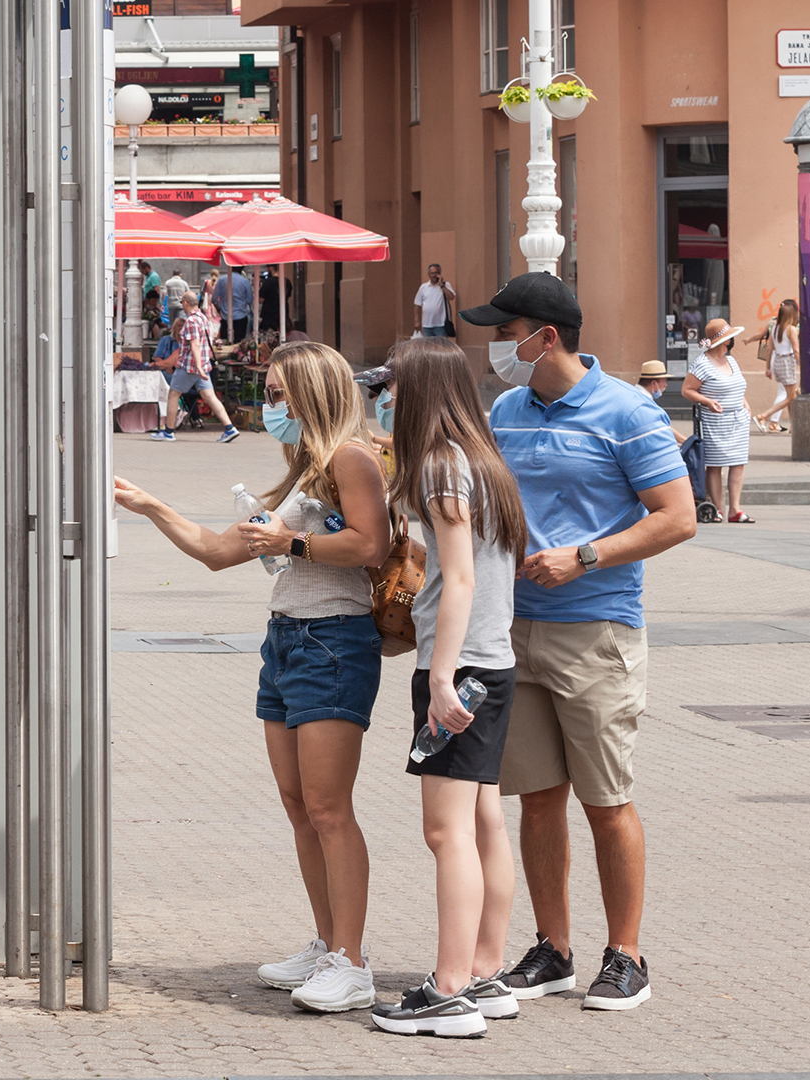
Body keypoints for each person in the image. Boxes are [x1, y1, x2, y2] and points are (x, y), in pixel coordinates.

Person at [115, 340, 392, 1014]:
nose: (269, 406)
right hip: (288, 640)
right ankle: (327, 944)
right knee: (299, 804)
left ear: (308, 395)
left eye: (276, 395)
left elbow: (370, 545)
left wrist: (291, 542)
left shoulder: (351, 459)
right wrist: (150, 504)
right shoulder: (304, 471)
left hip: (332, 639)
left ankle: (351, 962)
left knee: (328, 808)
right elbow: (217, 551)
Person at [461, 272, 695, 1013]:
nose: (497, 345)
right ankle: (552, 949)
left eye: (506, 332)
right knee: (537, 797)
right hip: (512, 626)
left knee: (606, 799)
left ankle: (626, 955)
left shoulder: (627, 412)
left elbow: (679, 516)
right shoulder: (507, 408)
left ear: (545, 337)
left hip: (596, 630)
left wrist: (584, 555)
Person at [366, 337, 525, 1038]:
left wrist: (437, 674)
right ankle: (485, 973)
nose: (388, 393)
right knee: (483, 820)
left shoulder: (438, 463)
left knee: (446, 830)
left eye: (395, 382)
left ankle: (451, 987)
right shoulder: (479, 459)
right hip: (492, 662)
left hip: (462, 667)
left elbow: (459, 577)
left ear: (421, 388)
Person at [682, 319, 754, 523]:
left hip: (737, 419)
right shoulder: (702, 364)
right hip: (716, 420)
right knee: (715, 465)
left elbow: (737, 386)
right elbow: (687, 390)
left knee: (738, 463)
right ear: (725, 340)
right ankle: (718, 508)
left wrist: (744, 402)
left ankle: (735, 509)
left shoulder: (731, 361)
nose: (733, 340)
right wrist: (707, 400)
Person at [153, 291, 240, 443]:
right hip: (203, 365)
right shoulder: (203, 319)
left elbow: (195, 345)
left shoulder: (191, 321)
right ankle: (229, 428)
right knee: (210, 397)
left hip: (189, 366)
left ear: (185, 303)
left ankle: (168, 431)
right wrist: (202, 366)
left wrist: (198, 367)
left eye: (181, 303)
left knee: (173, 394)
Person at [746, 299, 800, 433]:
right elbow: (796, 349)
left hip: (777, 362)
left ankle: (793, 426)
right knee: (791, 396)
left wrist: (768, 368)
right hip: (787, 361)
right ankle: (763, 416)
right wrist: (801, 363)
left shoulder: (774, 327)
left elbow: (769, 348)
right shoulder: (791, 329)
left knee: (789, 395)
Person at [634, 361, 684, 444]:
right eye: (664, 381)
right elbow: (662, 426)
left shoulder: (636, 394)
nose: (665, 385)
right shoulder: (644, 401)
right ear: (654, 383)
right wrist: (685, 441)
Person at [413, 264, 457, 338]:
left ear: (439, 273)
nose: (434, 275)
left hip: (441, 324)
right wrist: (416, 321)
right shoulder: (423, 287)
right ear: (428, 274)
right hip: (427, 325)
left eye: (436, 273)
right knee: (428, 348)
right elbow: (417, 305)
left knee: (441, 348)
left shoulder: (445, 285)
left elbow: (451, 297)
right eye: (432, 273)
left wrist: (442, 285)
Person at [213, 267, 254, 342]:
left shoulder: (222, 280)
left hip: (225, 316)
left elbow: (214, 298)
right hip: (241, 316)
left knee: (224, 342)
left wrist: (221, 307)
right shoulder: (245, 281)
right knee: (240, 343)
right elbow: (249, 300)